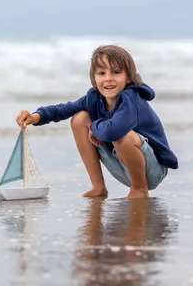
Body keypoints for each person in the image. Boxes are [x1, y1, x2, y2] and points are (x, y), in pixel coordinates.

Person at [15, 45, 178, 199]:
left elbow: (114, 131)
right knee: (79, 118)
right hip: (123, 165)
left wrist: (95, 126)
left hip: (151, 170)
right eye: (101, 73)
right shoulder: (94, 98)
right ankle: (98, 186)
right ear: (94, 78)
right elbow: (63, 109)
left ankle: (139, 189)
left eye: (115, 72)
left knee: (123, 136)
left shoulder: (132, 100)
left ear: (128, 77)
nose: (108, 79)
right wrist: (35, 116)